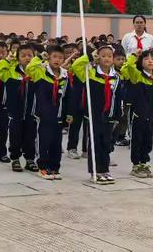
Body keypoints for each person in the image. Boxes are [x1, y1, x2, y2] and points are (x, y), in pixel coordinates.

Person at [72, 45, 121, 183]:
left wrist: (117, 115)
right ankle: (95, 171)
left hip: (109, 116)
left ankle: (104, 170)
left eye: (109, 56)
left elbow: (118, 98)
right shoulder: (91, 73)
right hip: (94, 115)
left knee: (106, 144)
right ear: (98, 57)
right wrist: (88, 57)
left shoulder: (116, 78)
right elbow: (76, 67)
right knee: (95, 143)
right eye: (103, 55)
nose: (106, 58)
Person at [26, 45, 72, 180]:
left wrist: (69, 113)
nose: (57, 60)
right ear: (49, 58)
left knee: (56, 143)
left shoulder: (65, 75)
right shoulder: (41, 71)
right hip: (43, 113)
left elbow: (68, 95)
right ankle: (42, 167)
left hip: (58, 114)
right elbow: (30, 68)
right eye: (54, 57)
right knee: (43, 141)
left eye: (60, 57)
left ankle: (54, 167)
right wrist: (40, 57)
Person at [0, 43, 39, 172]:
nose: (27, 58)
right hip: (15, 111)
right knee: (15, 135)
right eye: (23, 55)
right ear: (17, 58)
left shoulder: (37, 72)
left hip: (31, 111)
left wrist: (37, 61)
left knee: (31, 136)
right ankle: (15, 158)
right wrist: (8, 59)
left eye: (30, 55)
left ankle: (30, 159)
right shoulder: (11, 72)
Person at [121, 49, 153, 178]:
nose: (150, 60)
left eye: (152, 58)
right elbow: (126, 68)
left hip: (150, 115)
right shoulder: (137, 75)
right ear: (140, 62)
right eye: (146, 59)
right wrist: (134, 55)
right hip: (137, 113)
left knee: (148, 139)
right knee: (137, 139)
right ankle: (136, 165)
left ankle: (144, 162)